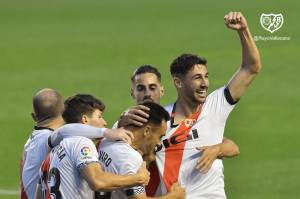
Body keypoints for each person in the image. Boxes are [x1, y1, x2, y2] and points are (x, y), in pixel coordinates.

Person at [154, 12, 261, 198]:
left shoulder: (215, 105)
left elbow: (251, 68)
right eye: (197, 78)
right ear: (178, 82)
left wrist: (243, 30)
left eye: (206, 76)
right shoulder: (160, 120)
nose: (205, 83)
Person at [119, 64, 240, 196]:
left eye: (152, 88)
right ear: (133, 92)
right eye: (141, 88)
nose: (147, 94)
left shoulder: (168, 121)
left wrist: (217, 149)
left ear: (161, 90)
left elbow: (231, 146)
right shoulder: (124, 128)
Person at [21, 89, 134, 199]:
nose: (104, 122)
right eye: (99, 116)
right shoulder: (52, 138)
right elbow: (64, 131)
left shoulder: (43, 145)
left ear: (34, 116)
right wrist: (107, 132)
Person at [97, 102, 185, 199]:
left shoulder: (107, 138)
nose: (159, 143)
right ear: (147, 131)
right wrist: (173, 196)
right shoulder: (132, 158)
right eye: (160, 137)